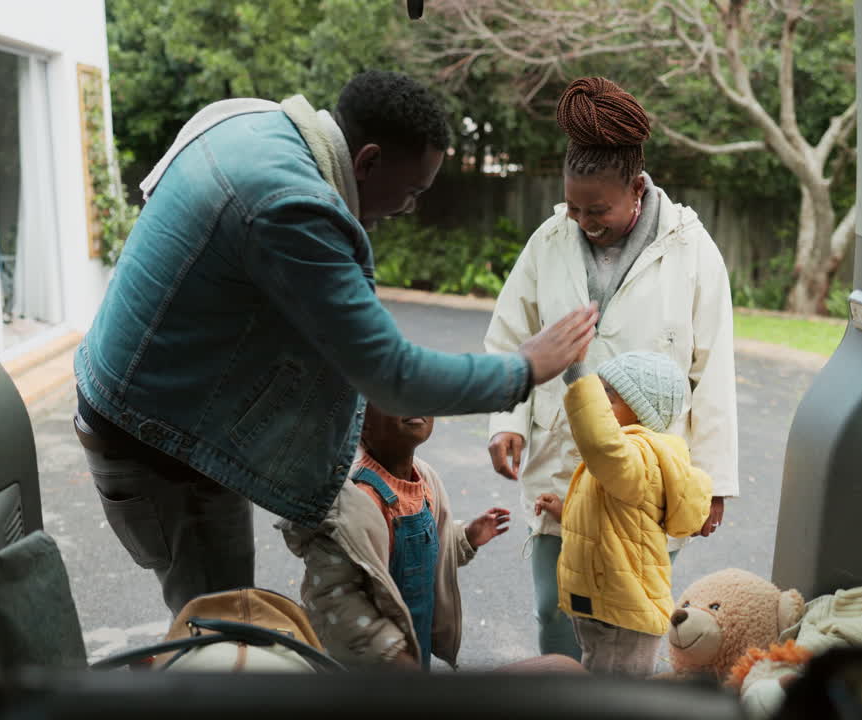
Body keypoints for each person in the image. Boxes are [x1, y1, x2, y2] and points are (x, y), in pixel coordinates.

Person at [74, 70, 597, 616]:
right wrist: (524, 367)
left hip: (153, 409)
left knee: (222, 614)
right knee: (220, 626)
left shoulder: (254, 124)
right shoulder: (291, 205)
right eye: (413, 192)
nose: (409, 209)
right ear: (367, 161)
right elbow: (392, 377)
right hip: (155, 441)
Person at [484, 77, 739, 660]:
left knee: (630, 618)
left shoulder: (691, 249)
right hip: (560, 463)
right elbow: (511, 337)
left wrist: (714, 482)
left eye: (597, 209)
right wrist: (507, 422)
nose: (582, 220)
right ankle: (561, 695)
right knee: (555, 609)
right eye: (573, 206)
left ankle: (615, 696)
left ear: (636, 188)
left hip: (643, 478)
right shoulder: (549, 240)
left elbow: (714, 369)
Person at [279, 404, 509, 669]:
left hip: (414, 654)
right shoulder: (353, 504)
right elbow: (334, 598)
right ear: (362, 423)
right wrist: (391, 653)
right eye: (394, 395)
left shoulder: (425, 481)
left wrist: (467, 536)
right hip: (371, 666)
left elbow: (430, 554)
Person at [533, 351, 712, 676]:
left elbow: (601, 443)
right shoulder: (625, 463)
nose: (600, 403)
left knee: (611, 694)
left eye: (609, 396)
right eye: (598, 391)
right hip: (607, 608)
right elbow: (609, 521)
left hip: (623, 616)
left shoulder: (640, 458)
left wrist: (578, 376)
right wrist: (566, 512)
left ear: (642, 412)